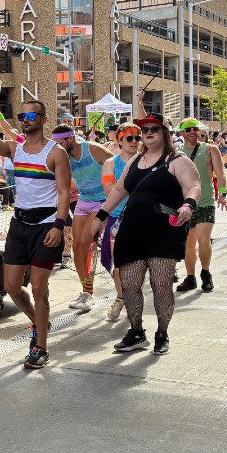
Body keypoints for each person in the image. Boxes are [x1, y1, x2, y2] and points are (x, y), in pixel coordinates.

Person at [0, 91, 71, 370]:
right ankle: (38, 321)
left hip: (46, 226)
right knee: (11, 286)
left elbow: (64, 193)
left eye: (30, 116)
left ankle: (40, 345)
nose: (25, 120)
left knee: (39, 288)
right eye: (22, 116)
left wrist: (59, 226)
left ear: (43, 119)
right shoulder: (15, 148)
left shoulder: (55, 152)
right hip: (19, 224)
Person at [90, 114, 201, 355]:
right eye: (144, 130)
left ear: (165, 133)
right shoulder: (136, 161)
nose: (148, 132)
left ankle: (162, 333)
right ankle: (137, 332)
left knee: (160, 285)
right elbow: (120, 189)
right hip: (132, 229)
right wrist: (101, 217)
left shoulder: (177, 160)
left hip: (162, 230)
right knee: (129, 284)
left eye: (154, 129)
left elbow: (193, 185)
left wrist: (188, 204)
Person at [53, 124, 113, 311]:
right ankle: (86, 291)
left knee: (86, 242)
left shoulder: (92, 149)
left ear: (70, 139)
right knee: (77, 244)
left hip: (103, 200)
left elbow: (118, 164)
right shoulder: (64, 157)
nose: (56, 147)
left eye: (59, 142)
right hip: (84, 200)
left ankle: (92, 291)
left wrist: (117, 193)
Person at [176, 118, 227, 293]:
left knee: (204, 240)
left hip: (206, 202)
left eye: (195, 128)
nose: (192, 131)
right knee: (187, 244)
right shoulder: (177, 153)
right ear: (182, 133)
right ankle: (190, 277)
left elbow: (221, 173)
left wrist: (222, 194)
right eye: (188, 129)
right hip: (185, 205)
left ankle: (206, 273)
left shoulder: (210, 149)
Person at [99, 124, 141, 322]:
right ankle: (121, 296)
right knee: (117, 262)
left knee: (139, 263)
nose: (134, 141)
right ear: (120, 140)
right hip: (118, 217)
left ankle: (132, 299)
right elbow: (110, 192)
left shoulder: (148, 160)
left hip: (142, 218)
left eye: (137, 137)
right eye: (129, 138)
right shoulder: (110, 163)